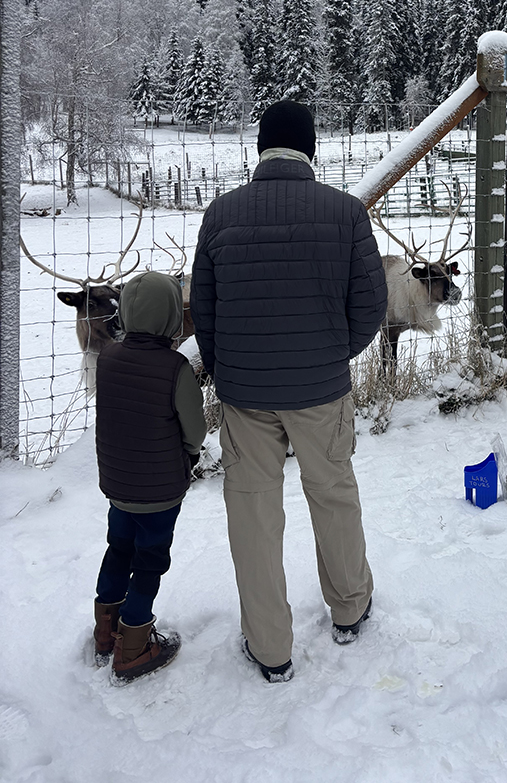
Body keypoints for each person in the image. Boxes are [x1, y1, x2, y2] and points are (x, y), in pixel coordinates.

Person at [191, 100, 387, 683]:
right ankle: (350, 607)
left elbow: (204, 308)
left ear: (259, 149)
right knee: (333, 494)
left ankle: (270, 646)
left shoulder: (220, 215)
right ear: (310, 148)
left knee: (252, 513)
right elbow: (371, 304)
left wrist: (232, 366)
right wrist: (331, 354)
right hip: (322, 389)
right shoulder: (346, 213)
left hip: (245, 393)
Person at [92, 271, 206, 684]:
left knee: (118, 549)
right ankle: (134, 647)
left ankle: (105, 632)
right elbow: (194, 429)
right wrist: (189, 455)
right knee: (150, 562)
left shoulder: (107, 358)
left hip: (118, 485)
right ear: (173, 316)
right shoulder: (175, 368)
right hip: (159, 492)